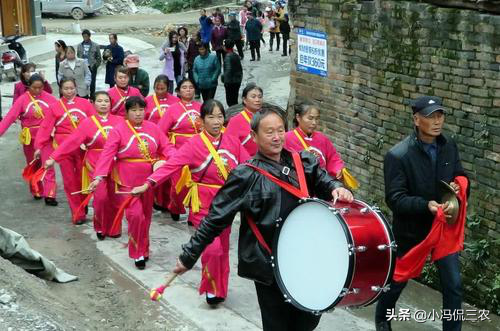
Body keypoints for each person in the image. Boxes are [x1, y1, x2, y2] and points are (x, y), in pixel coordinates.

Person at [169, 106, 353, 330]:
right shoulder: (245, 175)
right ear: (254, 136)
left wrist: (336, 188)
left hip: (305, 257)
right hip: (269, 264)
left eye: (280, 130)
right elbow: (215, 218)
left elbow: (325, 181)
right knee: (278, 325)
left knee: (307, 321)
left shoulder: (302, 162)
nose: (277, 137)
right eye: (269, 132)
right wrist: (188, 256)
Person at [132, 99, 250, 305]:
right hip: (202, 206)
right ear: (201, 120)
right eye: (211, 117)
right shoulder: (193, 145)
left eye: (220, 116)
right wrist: (148, 183)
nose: (216, 121)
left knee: (222, 248)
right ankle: (211, 288)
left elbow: (249, 166)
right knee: (212, 248)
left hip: (227, 205)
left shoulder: (232, 141)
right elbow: (171, 166)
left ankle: (219, 288)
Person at [374, 96, 468, 331]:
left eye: (440, 115)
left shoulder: (449, 146)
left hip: (443, 227)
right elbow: (395, 199)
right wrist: (426, 205)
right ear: (416, 119)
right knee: (397, 281)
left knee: (453, 285)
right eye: (430, 116)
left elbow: (461, 174)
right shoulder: (398, 156)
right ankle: (383, 321)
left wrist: (458, 185)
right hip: (412, 231)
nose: (437, 121)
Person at [88, 96, 175, 269]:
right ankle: (137, 253)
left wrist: (175, 159)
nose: (138, 113)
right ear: (126, 113)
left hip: (149, 182)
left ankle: (144, 249)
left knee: (147, 218)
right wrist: (98, 177)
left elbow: (167, 147)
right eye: (134, 110)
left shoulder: (154, 128)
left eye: (141, 110)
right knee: (136, 216)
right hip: (125, 182)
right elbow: (107, 154)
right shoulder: (118, 130)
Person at [45, 91, 123, 239]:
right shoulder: (87, 123)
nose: (103, 104)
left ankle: (114, 228)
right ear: (92, 104)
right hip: (95, 163)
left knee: (115, 198)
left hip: (116, 164)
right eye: (99, 101)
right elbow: (71, 142)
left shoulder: (120, 121)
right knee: (100, 198)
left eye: (106, 101)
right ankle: (100, 226)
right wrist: (53, 158)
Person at [34, 78, 94, 224]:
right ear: (61, 89)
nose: (69, 91)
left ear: (76, 88)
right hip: (64, 148)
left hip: (82, 147)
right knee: (69, 180)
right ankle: (77, 212)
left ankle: (83, 202)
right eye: (66, 88)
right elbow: (46, 128)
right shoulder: (55, 106)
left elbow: (95, 122)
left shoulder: (85, 104)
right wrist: (38, 146)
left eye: (71, 88)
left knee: (83, 178)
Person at [0, 74, 58, 204]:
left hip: (46, 137)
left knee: (48, 164)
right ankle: (36, 189)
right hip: (29, 138)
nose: (37, 90)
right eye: (34, 88)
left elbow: (61, 115)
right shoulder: (22, 100)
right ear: (28, 86)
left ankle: (50, 194)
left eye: (40, 87)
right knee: (33, 164)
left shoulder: (50, 99)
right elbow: (9, 118)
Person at [158, 78, 202, 219]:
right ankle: (175, 207)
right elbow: (160, 132)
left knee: (197, 182)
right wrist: (169, 150)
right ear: (178, 91)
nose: (188, 90)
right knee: (179, 184)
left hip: (199, 150)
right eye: (184, 87)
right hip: (179, 150)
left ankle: (193, 215)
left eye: (190, 87)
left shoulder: (201, 107)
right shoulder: (172, 109)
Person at [285, 104, 344, 180]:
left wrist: (337, 169)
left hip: (321, 182)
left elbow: (333, 157)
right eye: (310, 118)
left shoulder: (322, 138)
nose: (314, 123)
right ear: (298, 117)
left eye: (317, 119)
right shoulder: (287, 138)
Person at [225, 84, 262, 156]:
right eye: (253, 97)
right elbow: (228, 146)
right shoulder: (235, 121)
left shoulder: (266, 116)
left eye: (260, 97)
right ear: (244, 100)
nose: (257, 100)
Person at [77, 29, 101, 100]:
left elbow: (99, 57)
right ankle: (84, 96)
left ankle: (92, 97)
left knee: (92, 83)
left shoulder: (95, 45)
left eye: (86, 36)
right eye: (83, 36)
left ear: (89, 36)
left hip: (91, 66)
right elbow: (78, 56)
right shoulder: (80, 45)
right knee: (83, 82)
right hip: (82, 66)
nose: (85, 38)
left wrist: (95, 65)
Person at [222, 39, 243, 107]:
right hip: (237, 80)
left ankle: (233, 115)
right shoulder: (235, 55)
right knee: (234, 99)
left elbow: (228, 70)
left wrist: (224, 78)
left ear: (225, 47)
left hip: (230, 82)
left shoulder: (228, 56)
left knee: (230, 101)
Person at [186, 31, 202, 99]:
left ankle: (198, 92)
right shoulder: (190, 43)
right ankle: (192, 92)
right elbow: (188, 53)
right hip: (191, 63)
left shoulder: (201, 44)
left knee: (198, 79)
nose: (193, 37)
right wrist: (187, 62)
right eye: (193, 36)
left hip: (199, 64)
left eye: (195, 36)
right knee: (191, 79)